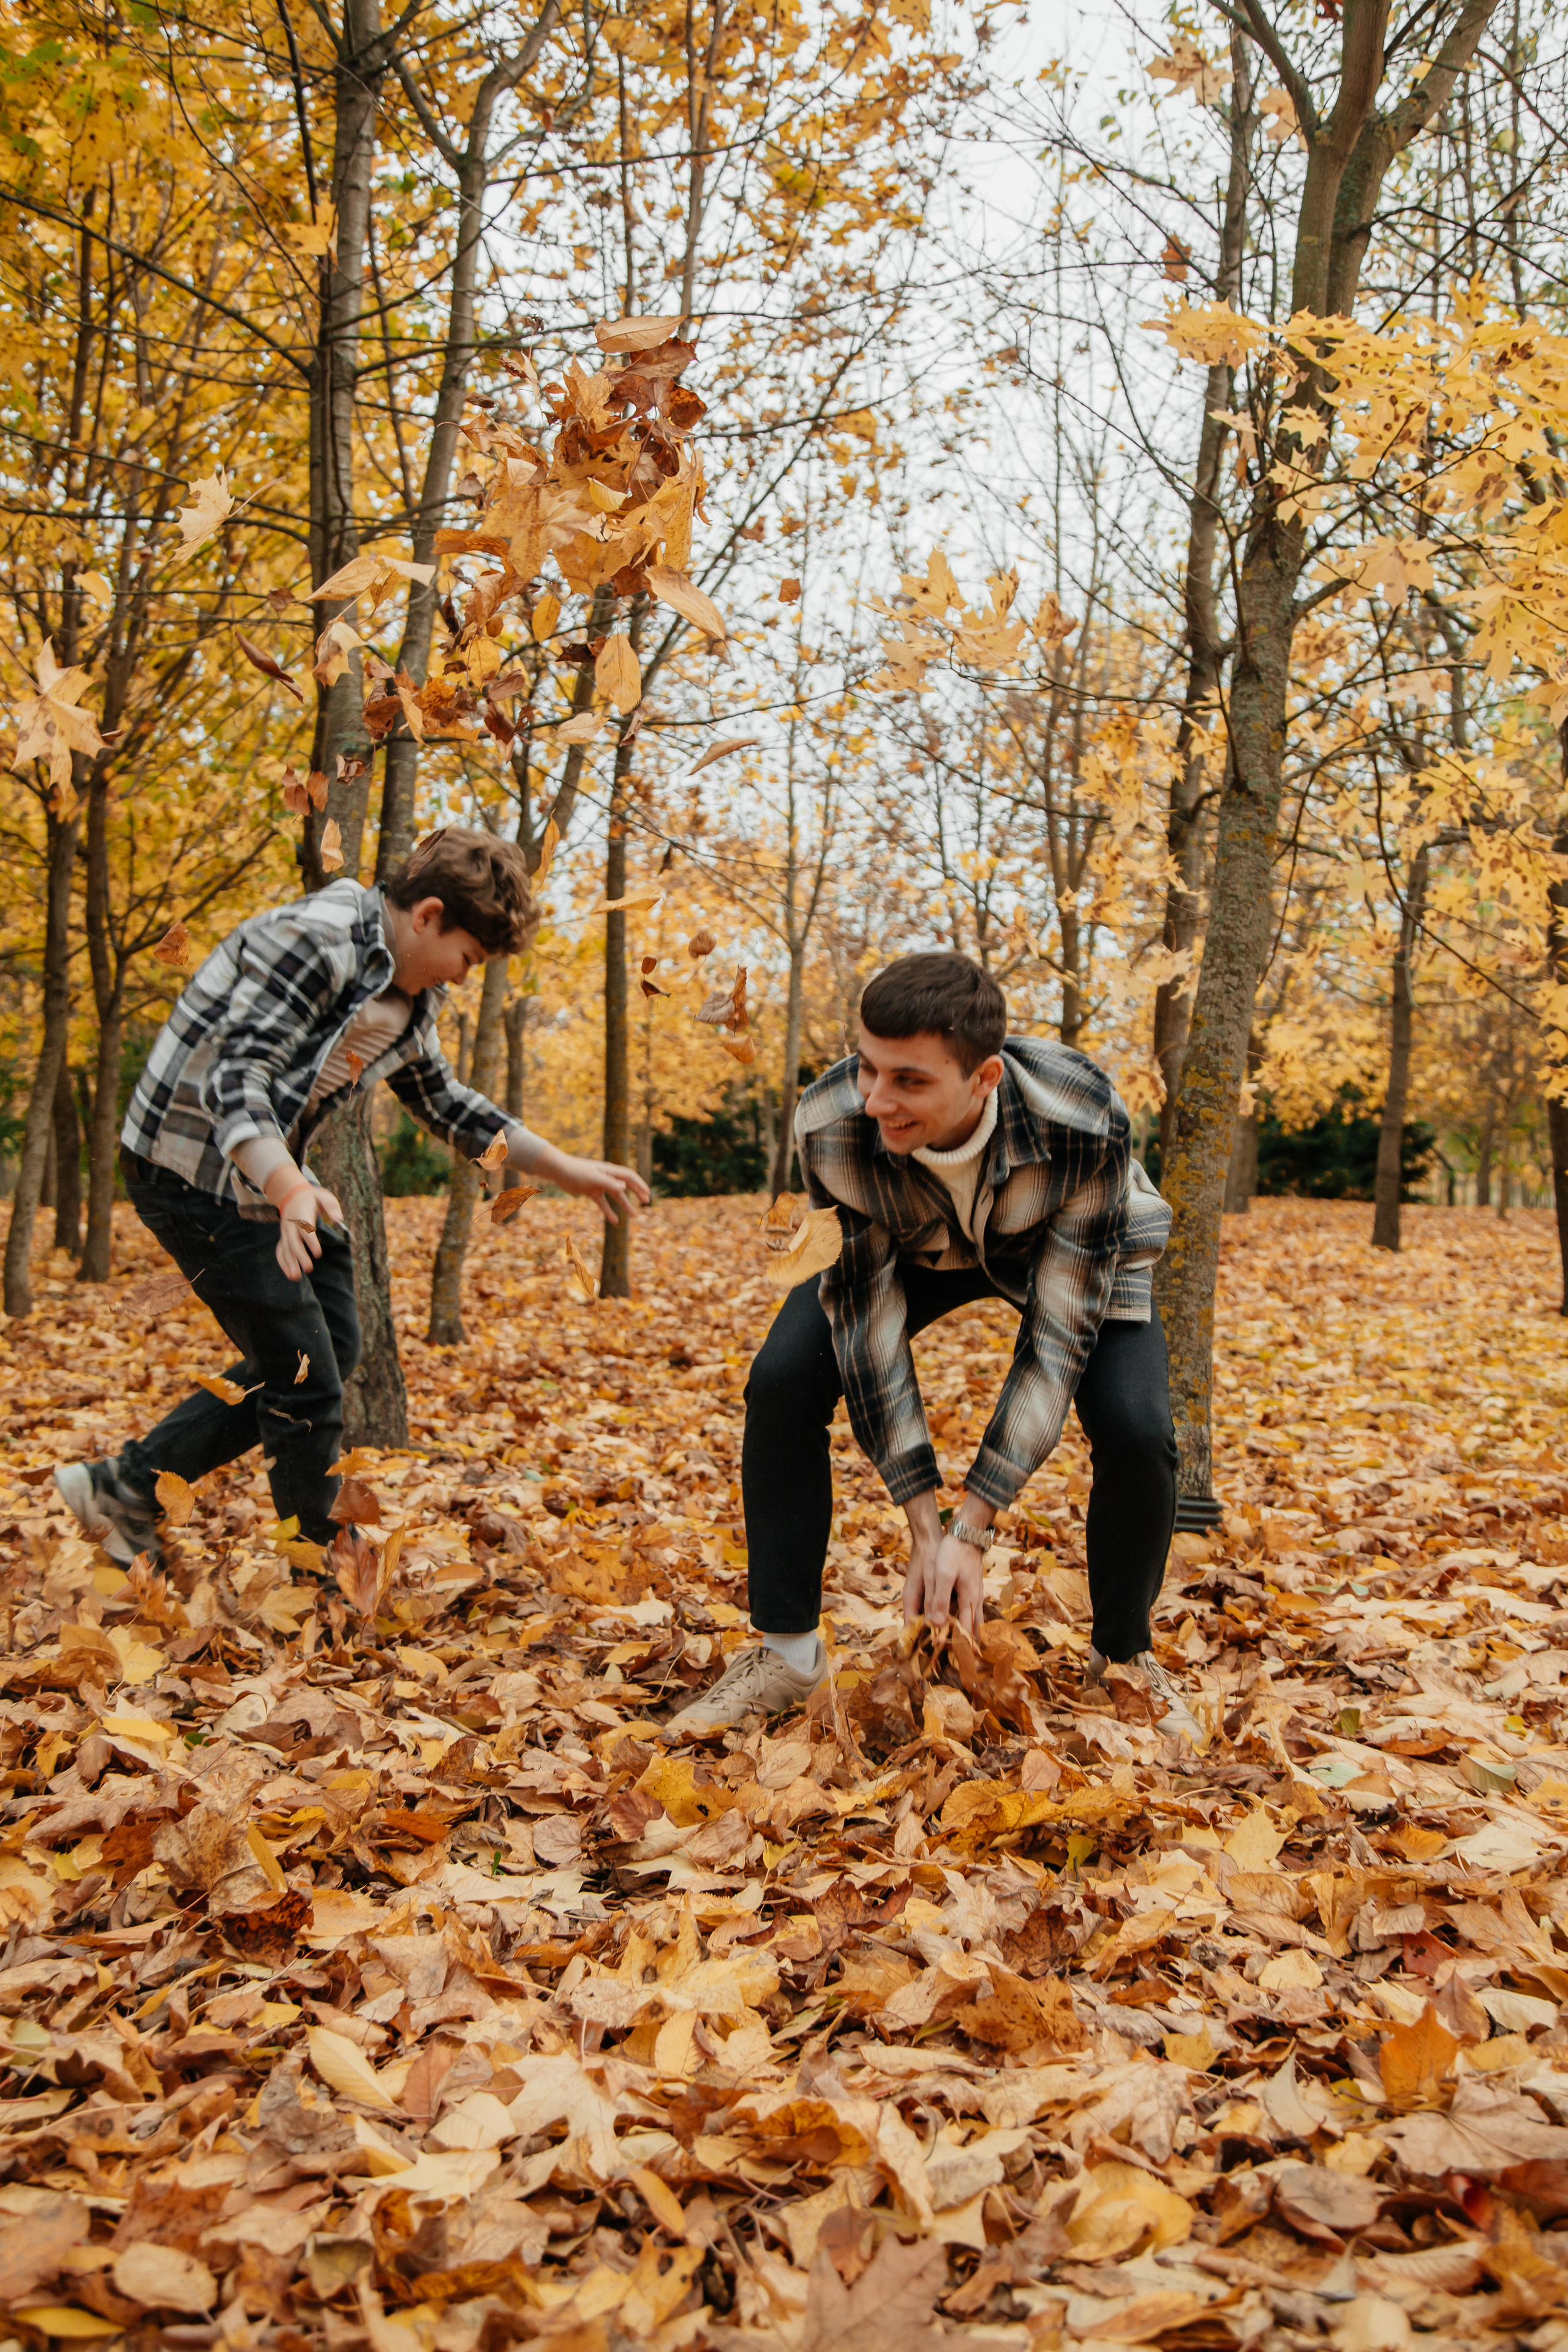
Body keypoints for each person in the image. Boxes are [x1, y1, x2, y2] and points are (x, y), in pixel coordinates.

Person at [53, 828, 648, 1566]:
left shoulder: (409, 997)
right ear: (427, 915)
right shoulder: (318, 940)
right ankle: (327, 1567)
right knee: (305, 1376)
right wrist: (289, 1186)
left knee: (329, 1348)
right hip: (190, 1171)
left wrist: (561, 1166)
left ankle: (124, 1487)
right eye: (466, 958)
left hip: (268, 1180)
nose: (462, 978)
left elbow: (446, 1105)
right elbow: (235, 1079)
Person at [666, 950, 1197, 1741]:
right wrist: (924, 1523)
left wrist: (974, 1526)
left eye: (910, 1080)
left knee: (1137, 1426)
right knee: (781, 1381)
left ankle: (1122, 1659)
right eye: (869, 1068)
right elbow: (869, 1334)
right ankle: (786, 1654)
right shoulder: (835, 1124)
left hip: (1060, 1244)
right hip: (911, 1249)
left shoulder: (1083, 1119)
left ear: (983, 1077)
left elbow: (1057, 1345)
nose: (878, 1099)